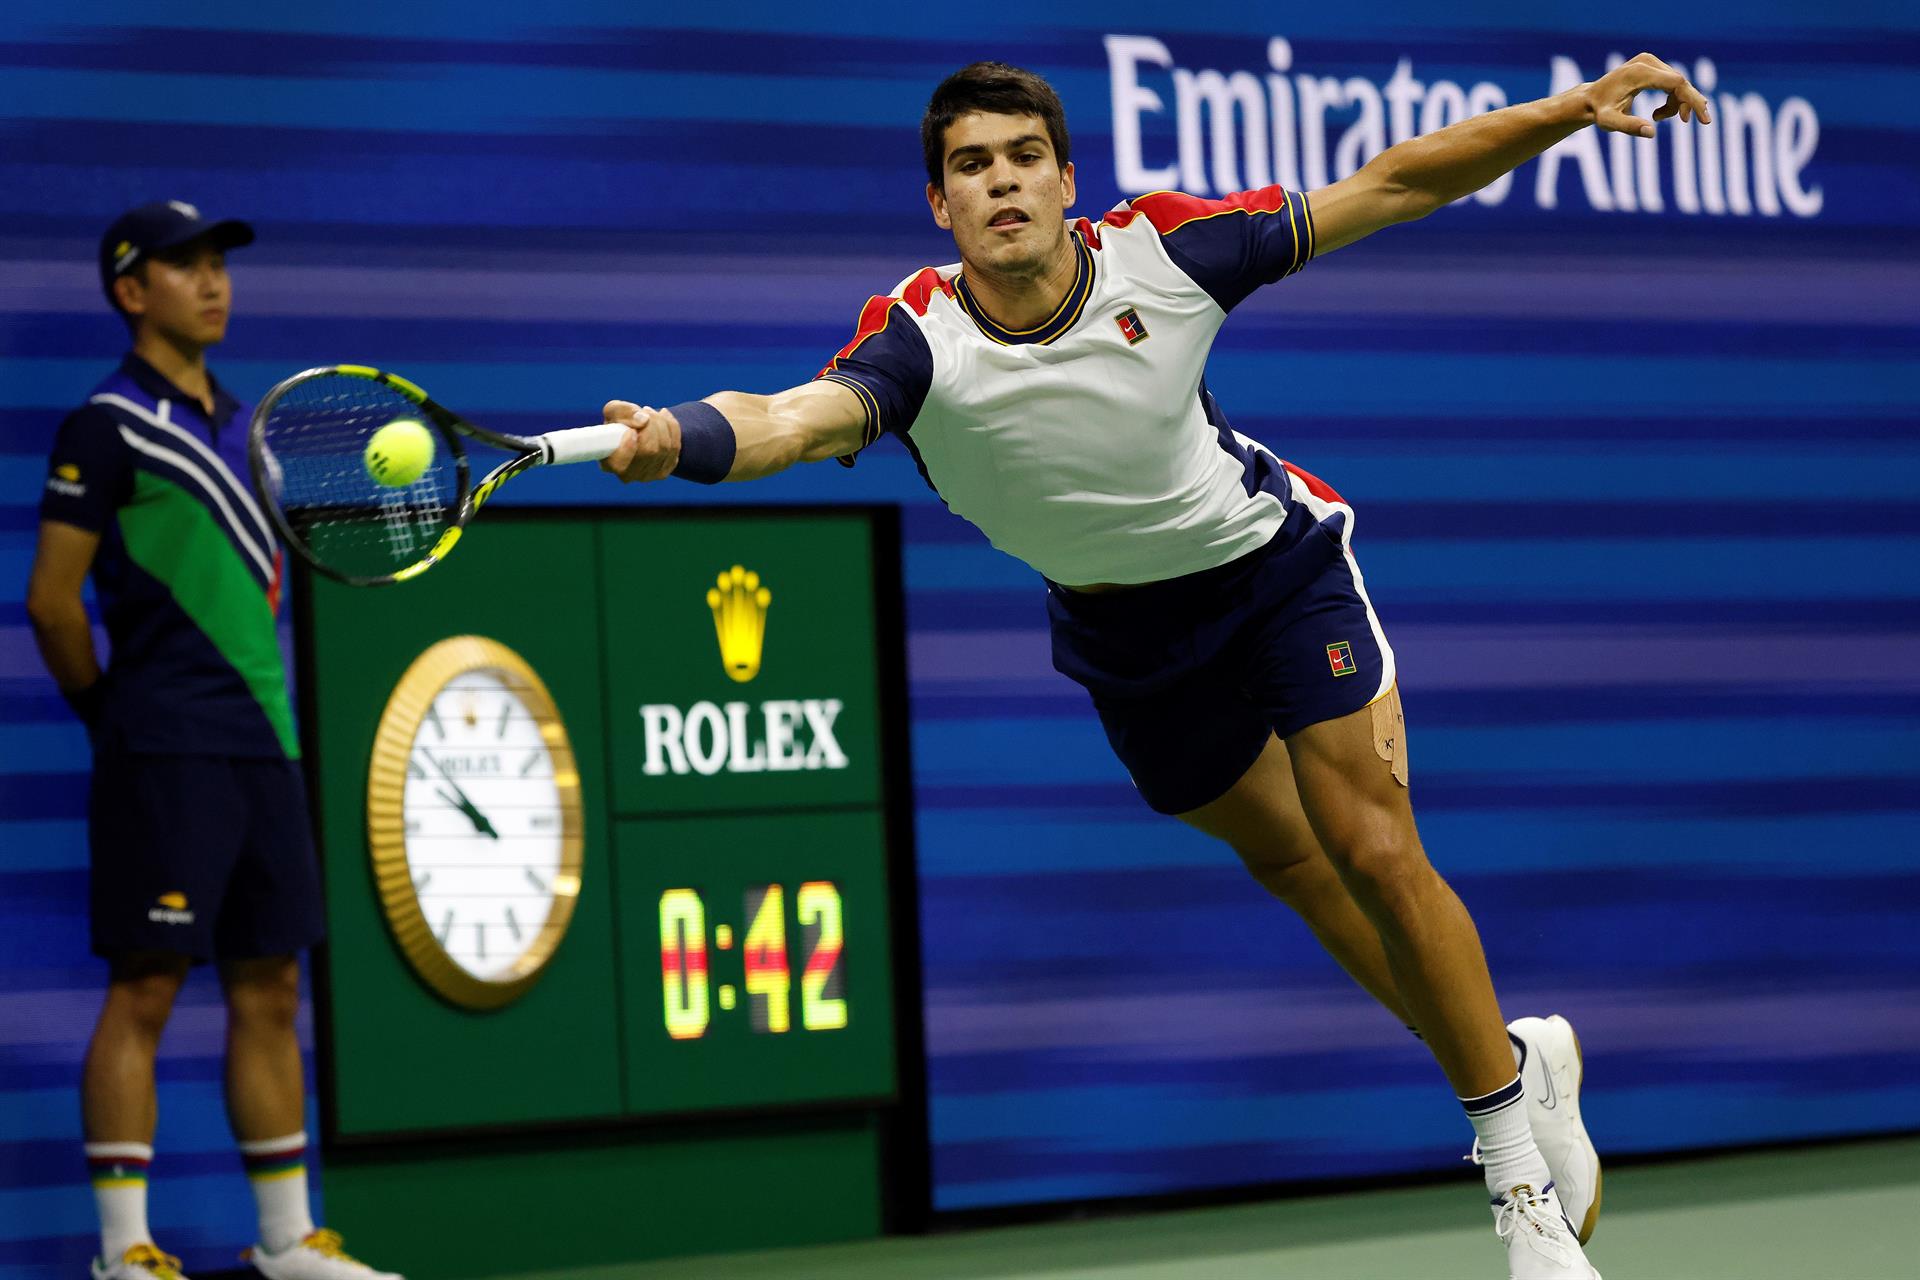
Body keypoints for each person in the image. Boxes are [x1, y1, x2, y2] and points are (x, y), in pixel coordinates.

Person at [598, 58, 1710, 1279]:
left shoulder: (1163, 255)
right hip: (1127, 641)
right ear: (940, 204)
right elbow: (791, 418)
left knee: (1375, 848)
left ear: (1068, 180)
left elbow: (1391, 183)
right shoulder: (919, 339)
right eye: (972, 166)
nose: (1002, 183)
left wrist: (1562, 111)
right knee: (1293, 864)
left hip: (1273, 578)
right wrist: (684, 440)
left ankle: (1521, 1199)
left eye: (1024, 157)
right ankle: (1517, 1059)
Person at [26, 201, 403, 1280]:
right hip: (165, 747)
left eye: (218, 264)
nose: (212, 281)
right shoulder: (103, 428)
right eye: (183, 266)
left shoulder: (249, 428)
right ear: (131, 290)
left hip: (263, 744)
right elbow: (53, 601)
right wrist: (117, 717)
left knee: (270, 985)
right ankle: (124, 1252)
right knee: (145, 986)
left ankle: (288, 1241)